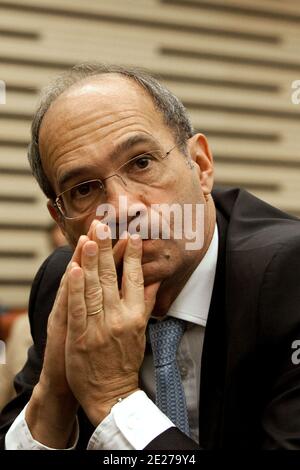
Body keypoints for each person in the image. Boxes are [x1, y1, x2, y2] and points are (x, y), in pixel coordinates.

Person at [0, 63, 300, 450]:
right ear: (62, 220)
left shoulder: (290, 275)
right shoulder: (70, 283)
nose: (122, 208)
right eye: (85, 189)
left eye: (141, 163)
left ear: (201, 165)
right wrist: (54, 396)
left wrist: (113, 398)